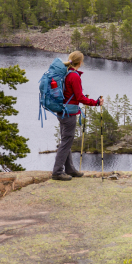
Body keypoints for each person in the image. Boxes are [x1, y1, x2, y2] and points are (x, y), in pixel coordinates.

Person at [52, 51, 102, 181]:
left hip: (62, 111)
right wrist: (96, 103)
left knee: (66, 141)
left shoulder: (66, 73)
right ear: (80, 62)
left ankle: (69, 169)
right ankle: (57, 172)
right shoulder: (74, 76)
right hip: (69, 113)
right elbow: (79, 97)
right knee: (66, 142)